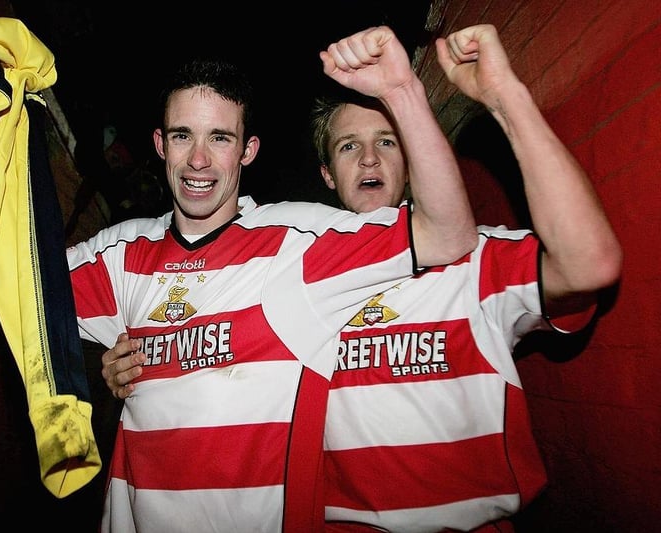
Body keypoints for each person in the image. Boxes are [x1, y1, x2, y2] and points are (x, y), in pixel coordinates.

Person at [102, 24, 623, 532]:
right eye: (349, 146)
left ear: (417, 155)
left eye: (388, 143)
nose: (370, 158)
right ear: (327, 173)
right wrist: (132, 361)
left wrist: (506, 97)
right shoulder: (286, 267)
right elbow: (196, 342)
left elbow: (590, 266)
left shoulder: (474, 260)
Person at [0, 26, 477, 532]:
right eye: (183, 136)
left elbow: (449, 234)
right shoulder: (120, 254)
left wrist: (402, 89)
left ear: (247, 150)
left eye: (220, 138)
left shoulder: (296, 241)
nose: (198, 160)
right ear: (161, 144)